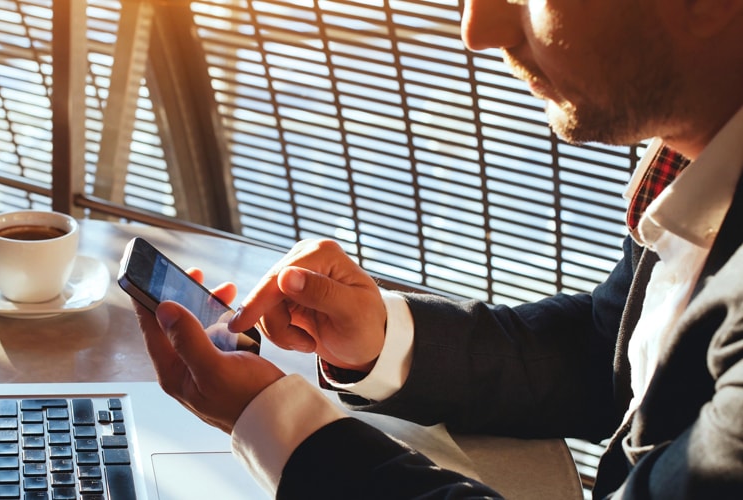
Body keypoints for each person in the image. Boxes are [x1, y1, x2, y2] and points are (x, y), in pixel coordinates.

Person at [131, 0, 743, 497]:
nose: (477, 29)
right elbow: (604, 351)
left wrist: (274, 423)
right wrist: (381, 340)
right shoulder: (693, 155)